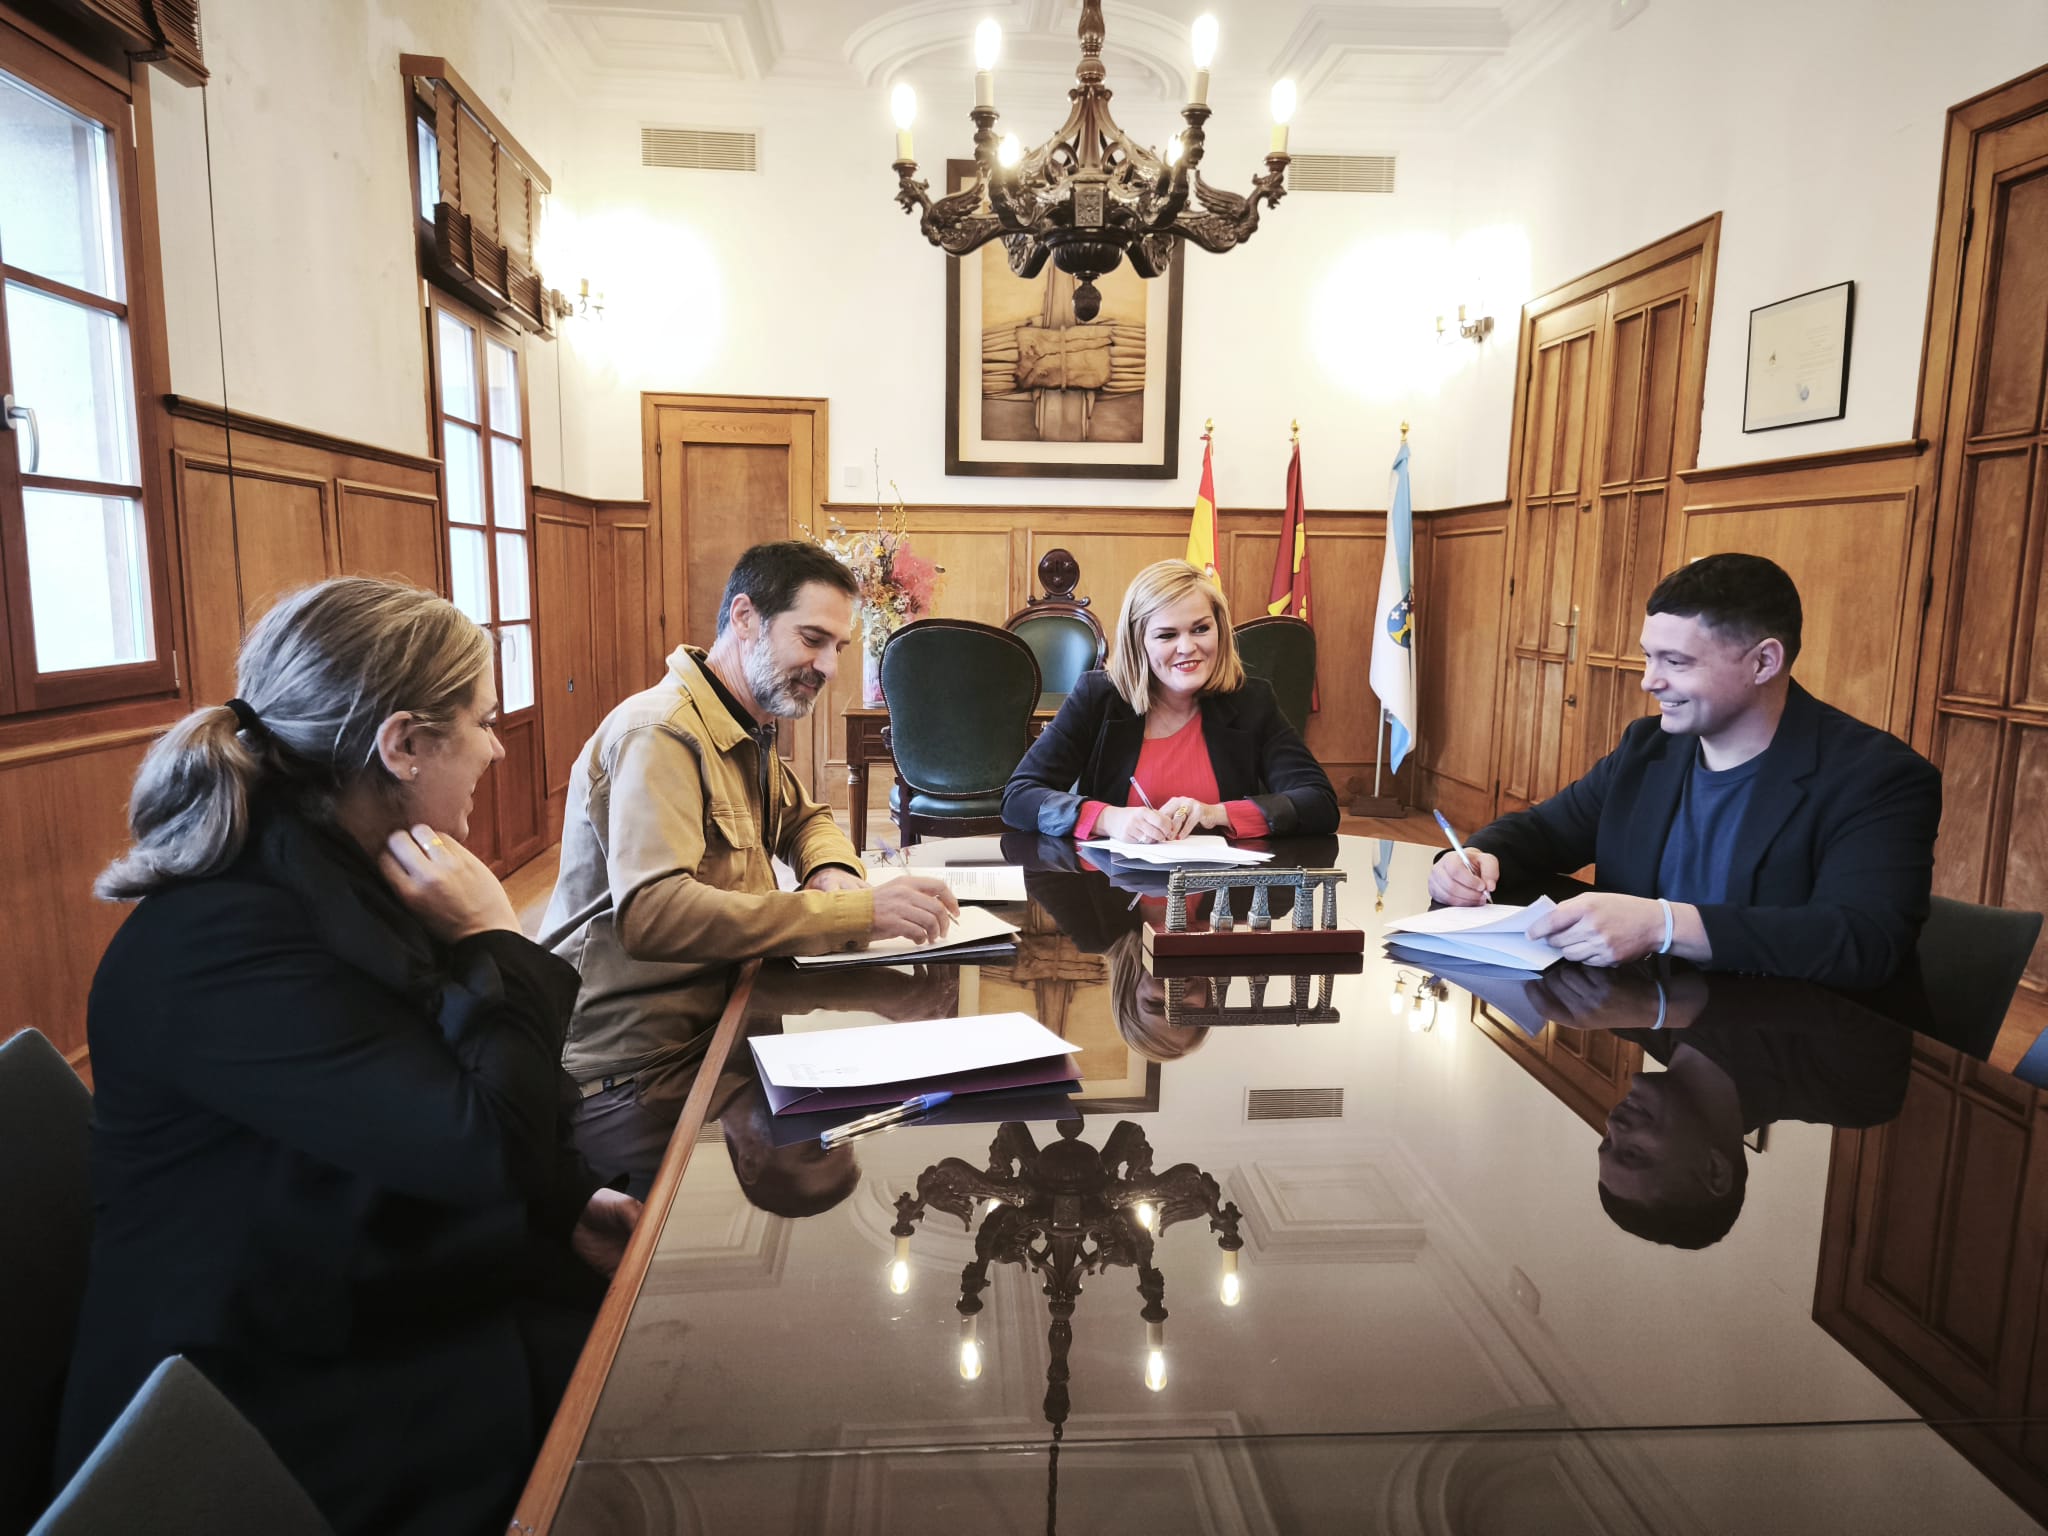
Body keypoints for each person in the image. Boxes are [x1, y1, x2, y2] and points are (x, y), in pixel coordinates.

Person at [58, 577, 632, 1536]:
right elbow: (480, 1141)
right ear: (403, 745)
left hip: (355, 1281)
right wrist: (496, 938)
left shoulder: (339, 868)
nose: (496, 747)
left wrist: (568, 1202)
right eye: (483, 722)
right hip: (255, 1400)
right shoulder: (226, 935)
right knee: (644, 1429)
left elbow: (423, 1082)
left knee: (665, 1359)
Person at [540, 541, 958, 1178]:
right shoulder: (662, 732)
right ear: (744, 618)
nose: (828, 666)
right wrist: (856, 913)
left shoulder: (737, 723)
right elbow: (655, 914)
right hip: (640, 1071)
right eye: (812, 640)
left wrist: (831, 873)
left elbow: (807, 819)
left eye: (838, 647)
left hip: (720, 1028)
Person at [1427, 553, 1941, 990]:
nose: (1649, 681)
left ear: (1764, 662)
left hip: (1797, 1050)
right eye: (1649, 657)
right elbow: (1542, 832)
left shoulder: (1879, 777)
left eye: (1675, 662)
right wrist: (1473, 859)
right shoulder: (1647, 747)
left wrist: (1665, 925)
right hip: (1642, 1021)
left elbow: (1861, 940)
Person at [1002, 559, 1338, 843]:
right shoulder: (1098, 696)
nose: (1187, 647)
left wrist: (1216, 814)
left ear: (1220, 630)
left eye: (1200, 629)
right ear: (1139, 643)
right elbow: (1019, 797)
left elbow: (1319, 802)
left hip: (1222, 895)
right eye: (1166, 635)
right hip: (1113, 893)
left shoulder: (1252, 701)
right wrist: (1108, 819)